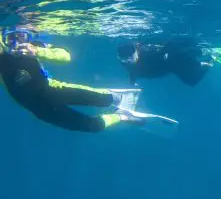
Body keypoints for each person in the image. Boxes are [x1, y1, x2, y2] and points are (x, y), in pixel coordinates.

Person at [0, 27, 174, 133]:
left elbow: (65, 56)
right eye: (10, 38)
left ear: (29, 37)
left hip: (54, 90)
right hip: (37, 107)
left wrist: (38, 51)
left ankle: (116, 97)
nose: (16, 43)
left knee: (102, 100)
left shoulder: (34, 47)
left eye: (21, 37)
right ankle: (122, 117)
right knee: (93, 127)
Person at [117, 37, 221, 86]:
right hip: (170, 67)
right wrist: (132, 82)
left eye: (130, 56)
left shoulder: (148, 49)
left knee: (184, 52)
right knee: (192, 81)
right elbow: (132, 70)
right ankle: (210, 61)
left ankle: (209, 52)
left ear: (136, 51)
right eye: (124, 59)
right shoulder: (126, 62)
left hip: (174, 60)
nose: (128, 60)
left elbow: (172, 49)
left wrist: (198, 59)